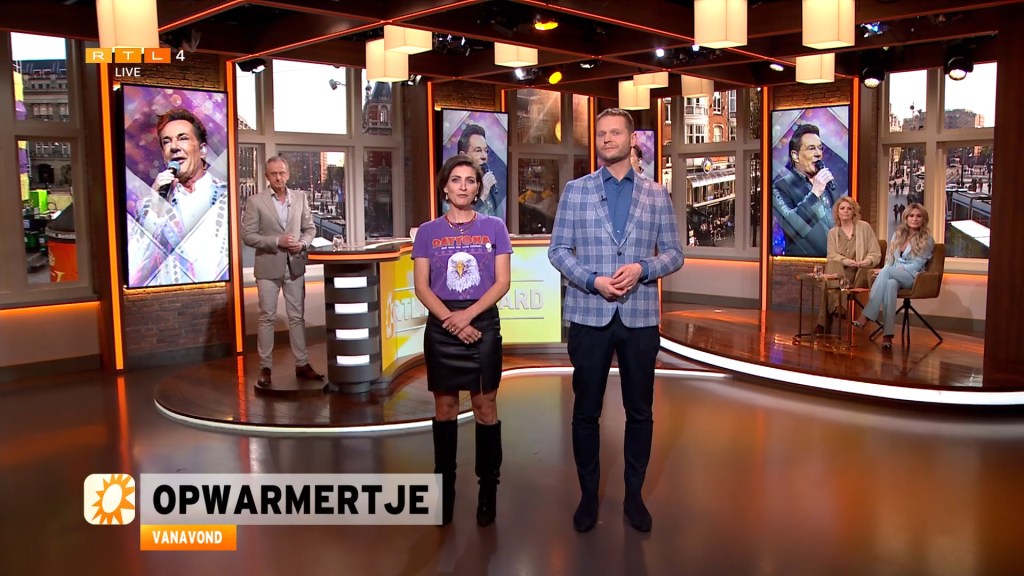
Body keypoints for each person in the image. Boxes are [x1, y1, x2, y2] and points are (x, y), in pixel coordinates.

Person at [548, 108, 684, 533]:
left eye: (615, 133)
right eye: (601, 134)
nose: (607, 139)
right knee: (585, 412)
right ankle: (588, 498)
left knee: (639, 412)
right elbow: (558, 251)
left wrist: (644, 269)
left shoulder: (656, 194)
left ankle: (634, 497)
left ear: (631, 139)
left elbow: (675, 254)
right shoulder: (576, 191)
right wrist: (592, 281)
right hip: (589, 314)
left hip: (640, 316)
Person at [412, 154, 512, 527]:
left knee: (485, 409)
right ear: (445, 186)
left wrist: (468, 317)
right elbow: (422, 287)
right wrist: (452, 322)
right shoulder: (428, 232)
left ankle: (488, 493)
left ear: (477, 188)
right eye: (456, 179)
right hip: (443, 327)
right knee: (445, 410)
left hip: (482, 323)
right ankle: (445, 495)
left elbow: (502, 282)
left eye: (470, 180)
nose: (463, 186)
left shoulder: (495, 228)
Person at [241, 156, 323, 388]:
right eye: (274, 174)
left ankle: (302, 364)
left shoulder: (300, 198)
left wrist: (303, 243)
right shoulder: (256, 201)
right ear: (267, 176)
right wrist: (277, 241)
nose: (278, 177)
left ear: (288, 174)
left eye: (282, 173)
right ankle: (265, 367)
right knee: (267, 317)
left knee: (297, 317)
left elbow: (310, 229)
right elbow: (248, 235)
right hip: (268, 267)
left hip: (294, 265)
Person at [128, 108, 229, 286]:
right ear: (164, 156)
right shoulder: (148, 206)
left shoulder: (227, 197)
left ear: (202, 150)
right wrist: (156, 209)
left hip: (220, 294)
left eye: (183, 138)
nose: (174, 147)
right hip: (172, 298)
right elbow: (134, 272)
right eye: (167, 142)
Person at [853, 203, 935, 350]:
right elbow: (889, 259)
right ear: (906, 218)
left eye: (918, 216)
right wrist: (887, 270)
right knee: (890, 284)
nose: (915, 219)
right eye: (911, 216)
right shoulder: (898, 235)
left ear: (923, 219)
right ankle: (888, 336)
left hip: (912, 276)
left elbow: (917, 265)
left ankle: (866, 315)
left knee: (887, 272)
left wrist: (889, 270)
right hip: (894, 274)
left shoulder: (927, 239)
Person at [771, 123, 843, 257]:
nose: (818, 154)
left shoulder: (829, 184)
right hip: (804, 262)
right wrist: (815, 194)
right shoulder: (781, 187)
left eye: (820, 148)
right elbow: (791, 226)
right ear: (795, 155)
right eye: (811, 148)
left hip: (835, 260)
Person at [815, 196, 881, 334]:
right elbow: (831, 255)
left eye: (849, 208)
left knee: (826, 281)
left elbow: (875, 253)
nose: (846, 211)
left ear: (853, 211)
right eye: (842, 208)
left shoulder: (864, 227)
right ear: (837, 212)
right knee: (833, 264)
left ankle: (824, 323)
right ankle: (839, 307)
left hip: (857, 273)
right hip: (839, 272)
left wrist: (867, 261)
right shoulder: (832, 232)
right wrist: (845, 260)